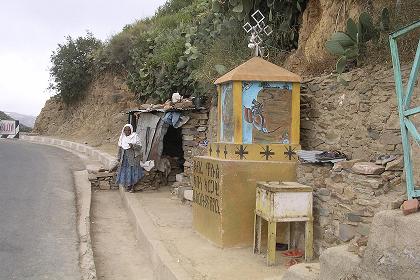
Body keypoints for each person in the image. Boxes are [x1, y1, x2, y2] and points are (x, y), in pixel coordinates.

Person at [115, 124, 144, 192]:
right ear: (123, 131)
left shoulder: (135, 137)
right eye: (125, 130)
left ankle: (133, 187)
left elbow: (140, 147)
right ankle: (128, 185)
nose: (127, 131)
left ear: (131, 130)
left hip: (133, 158)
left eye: (128, 130)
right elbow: (120, 148)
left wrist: (133, 146)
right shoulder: (122, 137)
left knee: (133, 172)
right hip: (124, 159)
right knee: (126, 172)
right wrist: (119, 157)